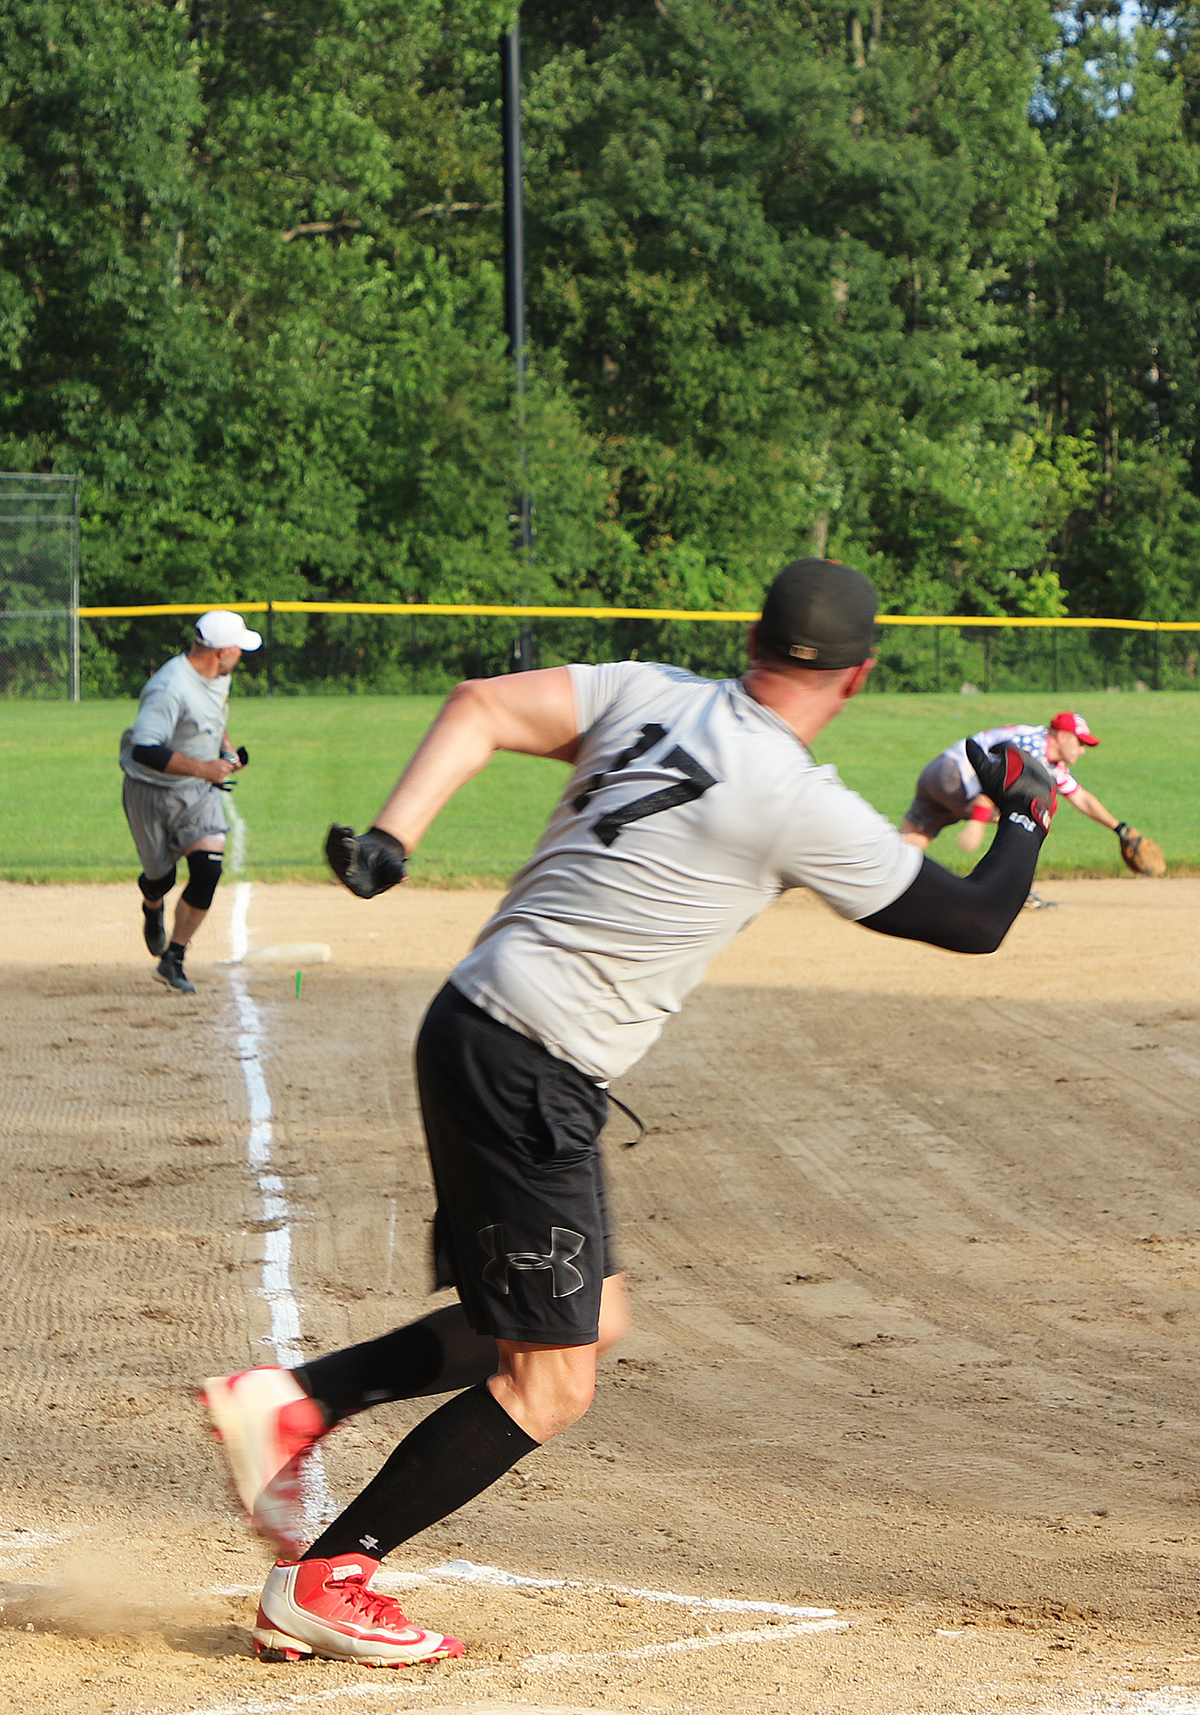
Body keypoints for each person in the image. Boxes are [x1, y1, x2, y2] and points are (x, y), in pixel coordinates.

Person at [197, 558, 1056, 1666]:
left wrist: (392, 837)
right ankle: (328, 1573)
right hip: (534, 1067)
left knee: (582, 1318)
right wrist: (1026, 809)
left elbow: (481, 704)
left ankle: (298, 1400)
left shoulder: (658, 694)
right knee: (550, 1378)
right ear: (861, 673)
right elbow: (977, 919)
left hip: (476, 1021)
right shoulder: (796, 798)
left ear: (752, 638)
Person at [121, 610, 258, 994]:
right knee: (160, 878)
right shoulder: (169, 687)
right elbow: (145, 750)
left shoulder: (218, 675)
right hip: (149, 791)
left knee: (207, 871)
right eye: (239, 649)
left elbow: (213, 714)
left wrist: (227, 752)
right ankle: (152, 904)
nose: (241, 657)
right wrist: (204, 768)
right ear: (223, 651)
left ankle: (174, 957)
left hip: (196, 795)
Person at [899, 711, 1143, 906]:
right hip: (957, 778)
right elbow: (996, 785)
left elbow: (1081, 798)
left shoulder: (1049, 761)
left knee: (911, 840)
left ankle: (884, 886)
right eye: (1079, 742)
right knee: (1026, 815)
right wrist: (977, 824)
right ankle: (1012, 890)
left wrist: (1119, 829)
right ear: (1060, 735)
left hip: (938, 772)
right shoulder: (1031, 750)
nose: (1082, 749)